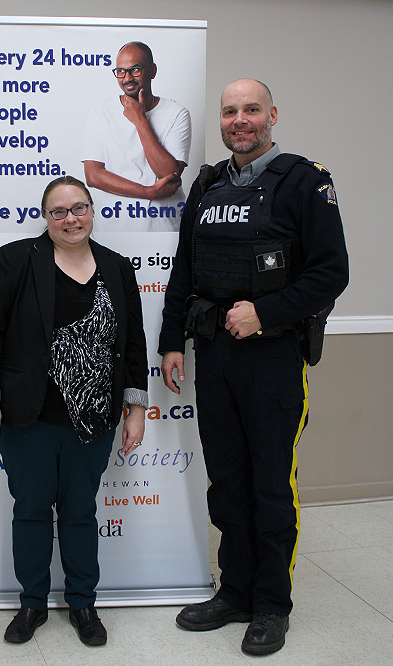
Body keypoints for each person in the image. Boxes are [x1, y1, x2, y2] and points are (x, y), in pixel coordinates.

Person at [158, 79, 348, 656]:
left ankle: (271, 604)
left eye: (252, 110)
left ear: (271, 115)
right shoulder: (210, 183)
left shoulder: (304, 182)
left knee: (270, 484)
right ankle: (235, 589)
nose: (241, 120)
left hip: (272, 361)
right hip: (214, 359)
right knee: (228, 481)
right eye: (230, 111)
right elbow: (184, 271)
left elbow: (330, 272)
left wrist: (264, 313)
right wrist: (172, 343)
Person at [0, 176, 148, 646]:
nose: (71, 218)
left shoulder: (117, 267)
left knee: (80, 512)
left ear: (92, 211)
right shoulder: (16, 261)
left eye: (79, 208)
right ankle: (31, 604)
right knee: (30, 510)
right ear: (45, 217)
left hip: (93, 419)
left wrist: (135, 407)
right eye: (59, 211)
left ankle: (83, 604)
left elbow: (131, 345)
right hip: (28, 417)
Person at [82, 41, 191, 231]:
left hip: (165, 226)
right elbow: (93, 175)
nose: (127, 78)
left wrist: (140, 120)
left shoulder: (176, 113)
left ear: (153, 71)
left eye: (135, 69)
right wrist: (148, 192)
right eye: (121, 71)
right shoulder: (100, 112)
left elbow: (168, 174)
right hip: (117, 227)